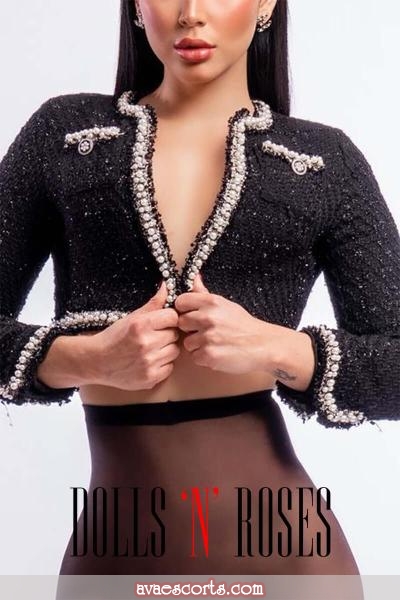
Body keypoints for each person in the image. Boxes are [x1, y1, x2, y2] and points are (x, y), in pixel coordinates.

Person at [1, 0, 399, 582]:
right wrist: (87, 358)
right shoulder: (63, 136)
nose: (190, 13)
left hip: (292, 564)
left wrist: (277, 347)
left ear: (266, 4)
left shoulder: (322, 162)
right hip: (112, 562)